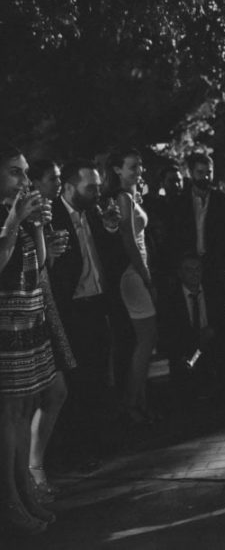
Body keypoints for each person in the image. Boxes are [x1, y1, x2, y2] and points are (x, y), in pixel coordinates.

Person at [0, 144, 58, 534]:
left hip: (29, 315)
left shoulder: (16, 211)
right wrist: (14, 223)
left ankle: (22, 489)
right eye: (14, 172)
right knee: (8, 414)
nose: (23, 179)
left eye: (24, 172)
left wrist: (37, 227)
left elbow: (37, 269)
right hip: (5, 321)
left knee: (25, 410)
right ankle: (9, 501)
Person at [49, 160, 121, 467]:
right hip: (71, 308)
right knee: (77, 380)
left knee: (100, 374)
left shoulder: (94, 211)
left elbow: (110, 255)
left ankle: (101, 440)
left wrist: (111, 227)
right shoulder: (52, 217)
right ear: (68, 187)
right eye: (90, 187)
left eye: (98, 186)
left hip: (97, 303)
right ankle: (77, 448)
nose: (97, 192)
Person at [27, 160, 74, 499]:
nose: (57, 183)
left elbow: (40, 264)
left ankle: (33, 466)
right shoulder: (20, 213)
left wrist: (52, 252)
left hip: (44, 302)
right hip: (24, 310)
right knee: (36, 396)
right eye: (52, 178)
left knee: (56, 391)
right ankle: (30, 473)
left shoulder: (44, 212)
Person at [104, 149, 158, 424]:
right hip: (132, 273)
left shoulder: (130, 196)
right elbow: (129, 242)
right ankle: (129, 403)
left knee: (145, 341)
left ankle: (140, 402)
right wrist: (146, 275)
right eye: (132, 166)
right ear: (117, 170)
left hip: (137, 271)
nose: (138, 170)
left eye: (139, 166)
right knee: (146, 340)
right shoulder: (122, 198)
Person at [160, 253, 225, 399]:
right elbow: (168, 332)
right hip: (188, 347)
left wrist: (212, 330)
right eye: (189, 270)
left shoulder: (214, 292)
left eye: (197, 269)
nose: (194, 274)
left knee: (222, 351)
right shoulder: (171, 298)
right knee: (187, 368)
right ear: (180, 273)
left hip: (211, 342)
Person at [166, 153, 225, 289]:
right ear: (191, 173)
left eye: (209, 172)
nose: (205, 177)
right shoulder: (180, 202)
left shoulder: (222, 201)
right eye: (200, 172)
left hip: (215, 264)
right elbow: (172, 235)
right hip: (187, 265)